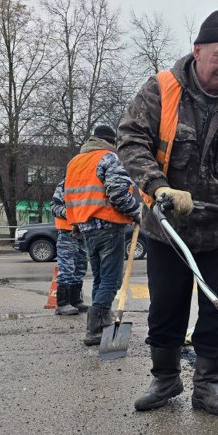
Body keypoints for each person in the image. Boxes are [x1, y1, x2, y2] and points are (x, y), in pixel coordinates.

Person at [118, 9, 218, 416]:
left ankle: (208, 386)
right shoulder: (161, 89)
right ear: (198, 50)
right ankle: (165, 379)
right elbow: (131, 141)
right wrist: (159, 186)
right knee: (166, 306)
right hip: (168, 229)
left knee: (217, 311)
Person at [63, 123, 142, 345]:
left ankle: (102, 322)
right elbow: (117, 192)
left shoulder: (75, 162)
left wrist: (77, 224)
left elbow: (69, 196)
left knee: (99, 278)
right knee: (111, 280)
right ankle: (96, 329)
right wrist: (136, 212)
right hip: (108, 225)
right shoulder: (108, 158)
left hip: (86, 227)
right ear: (111, 142)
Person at [50, 178, 90, 316]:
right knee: (67, 268)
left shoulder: (88, 184)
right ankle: (62, 304)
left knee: (80, 267)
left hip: (82, 234)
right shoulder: (66, 183)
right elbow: (54, 207)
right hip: (67, 233)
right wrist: (72, 215)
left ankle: (75, 300)